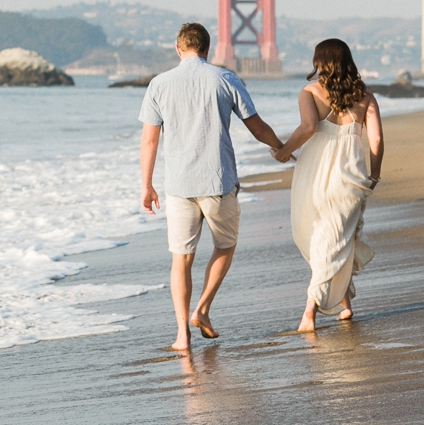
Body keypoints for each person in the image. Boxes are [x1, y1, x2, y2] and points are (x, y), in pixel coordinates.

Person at [139, 22, 287, 350]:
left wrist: (147, 185)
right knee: (225, 245)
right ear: (208, 48)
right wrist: (281, 148)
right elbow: (256, 126)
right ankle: (202, 309)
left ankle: (181, 335)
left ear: (178, 49)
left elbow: (150, 140)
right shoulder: (224, 78)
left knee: (181, 258)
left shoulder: (158, 84)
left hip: (178, 186)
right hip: (218, 181)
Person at [271, 38, 383, 332]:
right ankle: (344, 303)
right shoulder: (366, 96)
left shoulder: (309, 92)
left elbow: (308, 127)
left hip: (316, 173)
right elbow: (377, 141)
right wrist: (374, 174)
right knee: (341, 235)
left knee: (320, 235)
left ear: (320, 62)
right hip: (351, 173)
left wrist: (283, 152)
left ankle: (310, 310)